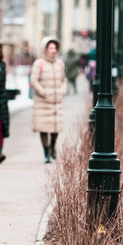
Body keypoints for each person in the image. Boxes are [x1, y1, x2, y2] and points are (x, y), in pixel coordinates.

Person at [30, 36, 67, 164]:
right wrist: (43, 92)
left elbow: (64, 80)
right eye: (50, 48)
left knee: (56, 128)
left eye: (55, 48)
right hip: (43, 102)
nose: (53, 50)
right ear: (45, 49)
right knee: (44, 128)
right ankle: (46, 153)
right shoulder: (38, 63)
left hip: (56, 101)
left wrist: (62, 90)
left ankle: (53, 146)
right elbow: (34, 80)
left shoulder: (60, 63)